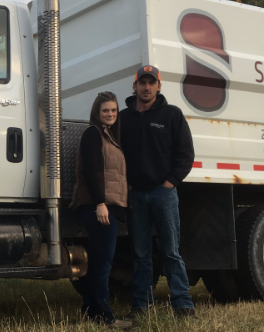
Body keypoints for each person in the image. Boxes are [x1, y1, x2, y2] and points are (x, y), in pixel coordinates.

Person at [120, 65, 196, 320]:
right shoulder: (124, 118)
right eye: (142, 82)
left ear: (159, 86)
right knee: (140, 254)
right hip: (136, 197)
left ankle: (183, 306)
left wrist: (170, 182)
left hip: (163, 193)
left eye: (152, 82)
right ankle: (142, 305)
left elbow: (185, 154)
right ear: (135, 86)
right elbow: (116, 156)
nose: (146, 87)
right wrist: (127, 186)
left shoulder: (172, 115)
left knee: (171, 252)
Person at [71, 92, 131, 329]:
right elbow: (91, 172)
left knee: (98, 262)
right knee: (103, 264)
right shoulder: (93, 134)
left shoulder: (109, 136)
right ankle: (105, 317)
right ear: (97, 112)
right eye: (106, 110)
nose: (110, 114)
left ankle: (90, 312)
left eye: (114, 110)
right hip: (99, 206)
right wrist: (100, 204)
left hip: (106, 205)